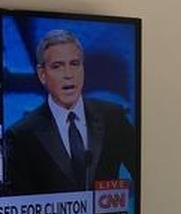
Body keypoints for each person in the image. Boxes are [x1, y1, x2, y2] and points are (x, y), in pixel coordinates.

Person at [4, 29, 138, 195]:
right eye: (57, 66)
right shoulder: (21, 135)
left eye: (74, 64)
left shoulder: (113, 118)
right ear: (42, 74)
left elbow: (145, 174)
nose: (68, 75)